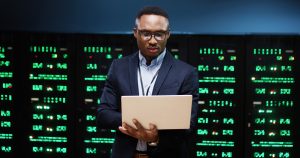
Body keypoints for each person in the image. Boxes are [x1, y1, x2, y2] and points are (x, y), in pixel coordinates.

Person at [96, 6, 199, 158]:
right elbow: (103, 114)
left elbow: (189, 125)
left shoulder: (186, 73)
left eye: (159, 34)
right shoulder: (119, 67)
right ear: (135, 32)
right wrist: (137, 122)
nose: (152, 41)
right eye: (146, 34)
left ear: (168, 34)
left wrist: (155, 138)